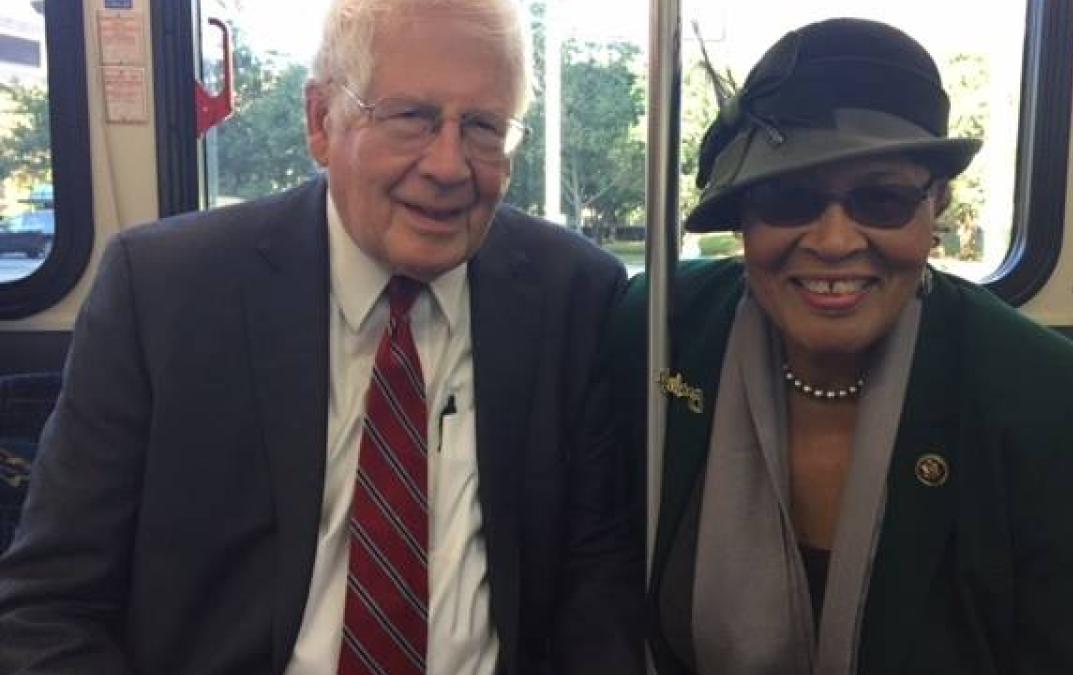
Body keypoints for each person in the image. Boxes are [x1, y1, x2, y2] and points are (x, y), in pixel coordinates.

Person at [0, 0, 642, 673]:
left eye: (483, 127)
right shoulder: (164, 294)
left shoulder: (573, 295)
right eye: (412, 117)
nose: (450, 166)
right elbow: (48, 605)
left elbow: (595, 585)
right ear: (320, 121)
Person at [606, 18, 1073, 675]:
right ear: (744, 216)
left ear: (938, 208)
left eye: (882, 198)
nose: (835, 240)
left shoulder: (1061, 411)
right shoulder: (664, 330)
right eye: (788, 197)